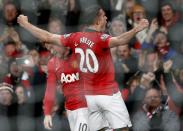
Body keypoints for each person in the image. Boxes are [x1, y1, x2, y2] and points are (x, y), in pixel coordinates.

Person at [17, 5, 149, 131]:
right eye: (103, 16)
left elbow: (48, 36)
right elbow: (121, 40)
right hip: (108, 93)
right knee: (123, 128)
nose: (106, 18)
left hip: (89, 97)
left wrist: (26, 24)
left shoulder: (75, 37)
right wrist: (137, 28)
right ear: (97, 20)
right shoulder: (102, 38)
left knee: (100, 129)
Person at [43, 45, 91, 131]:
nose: (52, 51)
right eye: (49, 49)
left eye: (53, 47)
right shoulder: (52, 63)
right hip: (70, 109)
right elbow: (50, 89)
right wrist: (47, 113)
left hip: (86, 106)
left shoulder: (79, 55)